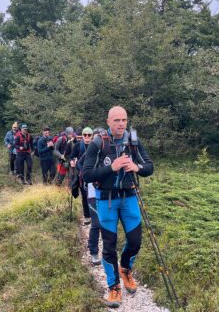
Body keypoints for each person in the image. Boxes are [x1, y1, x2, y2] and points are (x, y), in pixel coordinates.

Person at [83, 106, 153, 308]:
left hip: (129, 197)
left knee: (135, 241)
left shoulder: (133, 141)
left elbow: (149, 166)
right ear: (108, 122)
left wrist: (136, 167)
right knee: (109, 244)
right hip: (106, 200)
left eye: (124, 120)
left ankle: (125, 270)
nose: (121, 124)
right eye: (116, 120)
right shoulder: (98, 142)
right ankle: (113, 287)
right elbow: (86, 174)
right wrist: (111, 168)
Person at [71, 127, 101, 265]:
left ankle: (109, 251)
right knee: (96, 223)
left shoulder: (110, 150)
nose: (99, 140)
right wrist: (86, 174)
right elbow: (79, 164)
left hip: (108, 191)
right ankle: (94, 252)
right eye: (97, 137)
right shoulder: (89, 151)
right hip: (93, 190)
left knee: (107, 223)